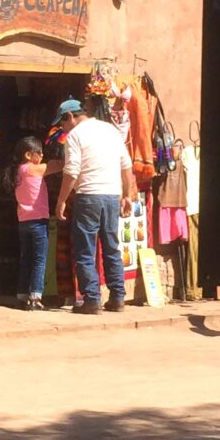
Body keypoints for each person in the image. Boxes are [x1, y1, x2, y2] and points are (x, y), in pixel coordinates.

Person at [53, 98, 133, 315]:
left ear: (70, 117)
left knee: (85, 250)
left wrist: (61, 201)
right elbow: (126, 165)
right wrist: (127, 195)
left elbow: (71, 172)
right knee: (111, 248)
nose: (62, 128)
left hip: (88, 196)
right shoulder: (110, 130)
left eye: (62, 123)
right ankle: (117, 298)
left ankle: (92, 300)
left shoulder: (76, 135)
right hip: (111, 196)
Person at [4, 136, 62, 311]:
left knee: (27, 259)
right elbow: (57, 166)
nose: (42, 155)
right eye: (39, 153)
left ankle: (22, 296)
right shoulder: (32, 170)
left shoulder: (18, 171)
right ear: (28, 155)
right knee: (39, 259)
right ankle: (35, 297)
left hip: (24, 221)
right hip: (38, 221)